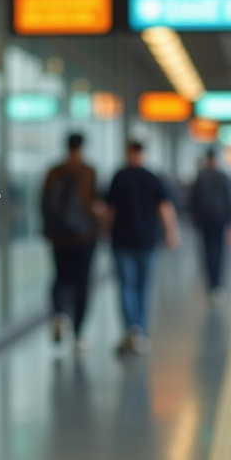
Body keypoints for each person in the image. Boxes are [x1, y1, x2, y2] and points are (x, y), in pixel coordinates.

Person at [104, 140, 179, 354]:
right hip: (148, 240)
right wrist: (171, 232)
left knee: (126, 286)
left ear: (128, 152)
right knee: (143, 287)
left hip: (122, 240)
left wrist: (102, 229)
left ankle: (132, 330)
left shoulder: (119, 177)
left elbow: (110, 210)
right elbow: (164, 207)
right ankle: (141, 333)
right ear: (143, 153)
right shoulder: (152, 177)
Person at [41, 133, 99, 353]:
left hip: (59, 237)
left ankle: (59, 315)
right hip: (84, 237)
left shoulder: (54, 172)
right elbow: (94, 204)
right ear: (82, 147)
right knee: (82, 283)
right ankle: (78, 333)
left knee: (60, 277)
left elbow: (43, 203)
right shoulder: (88, 172)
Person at [189, 149, 231, 307]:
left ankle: (212, 284)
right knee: (220, 252)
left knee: (207, 251)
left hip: (204, 221)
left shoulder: (200, 177)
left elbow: (192, 200)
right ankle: (217, 286)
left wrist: (194, 219)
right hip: (221, 220)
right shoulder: (223, 176)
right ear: (216, 159)